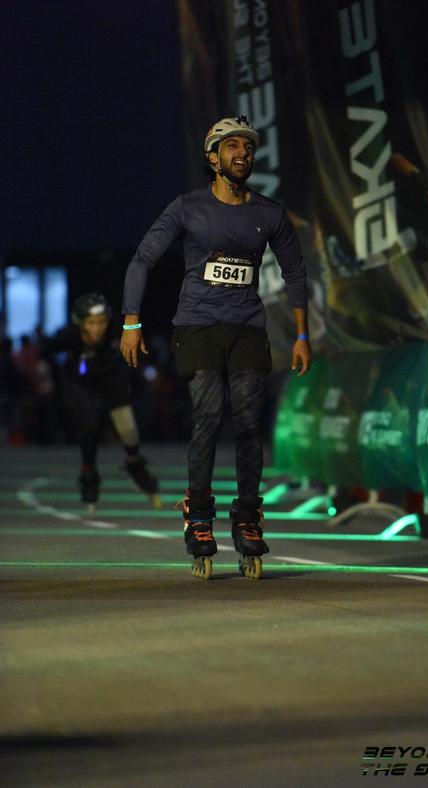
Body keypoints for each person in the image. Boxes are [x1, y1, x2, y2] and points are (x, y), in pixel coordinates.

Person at [120, 115, 311, 578]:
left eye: (248, 146)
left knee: (247, 424)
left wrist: (303, 335)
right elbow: (143, 259)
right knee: (207, 417)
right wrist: (131, 322)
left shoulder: (269, 214)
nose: (242, 153)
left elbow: (295, 272)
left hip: (247, 327)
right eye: (232, 146)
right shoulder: (188, 208)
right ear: (213, 157)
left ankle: (247, 518)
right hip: (198, 326)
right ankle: (199, 516)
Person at [44, 293, 160, 510]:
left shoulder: (115, 330)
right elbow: (46, 351)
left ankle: (135, 464)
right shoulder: (69, 336)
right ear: (80, 323)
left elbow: (137, 353)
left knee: (128, 428)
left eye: (101, 322)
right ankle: (88, 474)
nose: (97, 329)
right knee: (89, 424)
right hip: (82, 381)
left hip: (110, 375)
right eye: (91, 323)